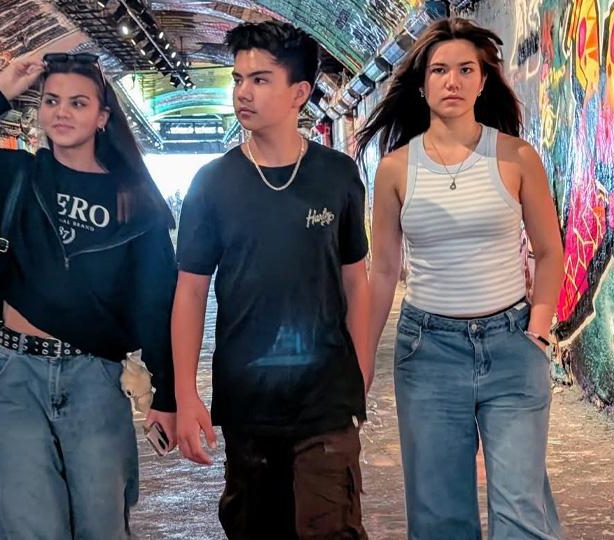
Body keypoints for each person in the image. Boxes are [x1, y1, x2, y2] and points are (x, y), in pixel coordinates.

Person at [0, 52, 177, 539]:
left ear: (102, 117)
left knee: (101, 526)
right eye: (52, 101)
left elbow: (155, 300)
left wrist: (166, 392)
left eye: (78, 103)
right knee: (27, 527)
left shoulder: (135, 202)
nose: (62, 112)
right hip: (16, 375)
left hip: (96, 378)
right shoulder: (16, 176)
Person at [356, 17, 565, 539]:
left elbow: (549, 251)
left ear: (482, 80)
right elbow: (383, 270)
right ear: (422, 84)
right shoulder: (396, 169)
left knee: (521, 512)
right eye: (440, 70)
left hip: (512, 346)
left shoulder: (517, 157)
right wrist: (361, 359)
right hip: (427, 354)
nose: (452, 81)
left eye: (465, 69)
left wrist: (537, 330)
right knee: (440, 518)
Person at [172, 21, 371, 540]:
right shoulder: (212, 184)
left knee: (329, 529)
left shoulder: (337, 174)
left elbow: (356, 281)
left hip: (325, 402)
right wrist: (186, 393)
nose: (243, 92)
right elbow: (190, 293)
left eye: (260, 79)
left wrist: (361, 375)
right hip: (246, 405)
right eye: (237, 79)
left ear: (299, 93)